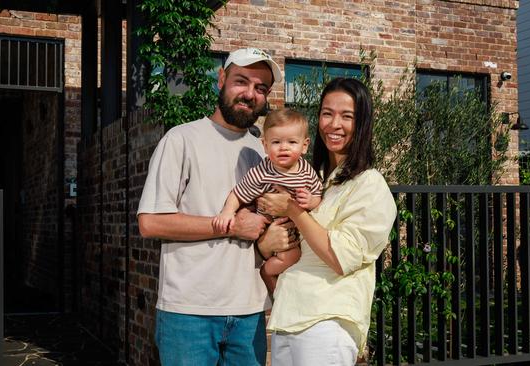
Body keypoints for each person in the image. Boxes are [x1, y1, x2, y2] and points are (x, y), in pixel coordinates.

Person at [137, 47, 297, 366]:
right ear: (221, 79)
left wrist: (267, 240)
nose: (250, 94)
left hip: (250, 311)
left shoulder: (266, 152)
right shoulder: (181, 139)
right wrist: (229, 225)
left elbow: (275, 223)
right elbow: (150, 223)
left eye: (261, 88)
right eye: (241, 81)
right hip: (188, 314)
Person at [258, 78, 397, 365]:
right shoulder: (321, 181)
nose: (334, 124)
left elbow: (340, 258)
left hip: (326, 322)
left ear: (363, 124)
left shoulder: (369, 184)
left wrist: (294, 210)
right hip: (290, 316)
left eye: (347, 116)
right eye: (327, 113)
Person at [212, 108, 323, 293]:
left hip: (296, 232)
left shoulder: (306, 170)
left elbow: (318, 197)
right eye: (276, 142)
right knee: (293, 258)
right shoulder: (263, 172)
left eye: (292, 142)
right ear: (264, 145)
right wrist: (227, 212)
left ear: (304, 146)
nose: (284, 147)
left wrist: (310, 200)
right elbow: (238, 193)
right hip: (272, 232)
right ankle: (269, 277)